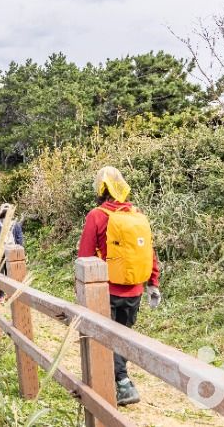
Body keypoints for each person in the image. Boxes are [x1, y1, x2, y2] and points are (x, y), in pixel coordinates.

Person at [77, 166, 161, 407]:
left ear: (100, 189)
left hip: (106, 289)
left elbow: (85, 256)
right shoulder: (136, 214)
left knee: (105, 337)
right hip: (134, 289)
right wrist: (153, 284)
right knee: (122, 336)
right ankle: (116, 381)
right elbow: (149, 251)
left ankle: (121, 384)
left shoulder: (97, 215)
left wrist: (82, 287)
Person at [0, 203, 23, 302]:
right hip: (13, 252)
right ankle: (11, 294)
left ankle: (1, 295)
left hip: (0, 253)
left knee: (0, 274)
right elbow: (19, 239)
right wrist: (19, 253)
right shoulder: (16, 224)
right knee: (11, 274)